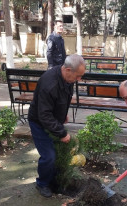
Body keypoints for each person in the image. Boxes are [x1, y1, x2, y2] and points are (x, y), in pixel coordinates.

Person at [28, 54, 86, 198]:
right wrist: (62, 133)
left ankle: (54, 181)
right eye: (78, 76)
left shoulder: (68, 78)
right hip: (39, 122)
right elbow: (44, 115)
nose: (79, 80)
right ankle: (42, 184)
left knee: (58, 152)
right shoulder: (49, 84)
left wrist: (62, 114)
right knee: (49, 156)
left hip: (53, 120)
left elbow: (63, 98)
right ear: (67, 70)